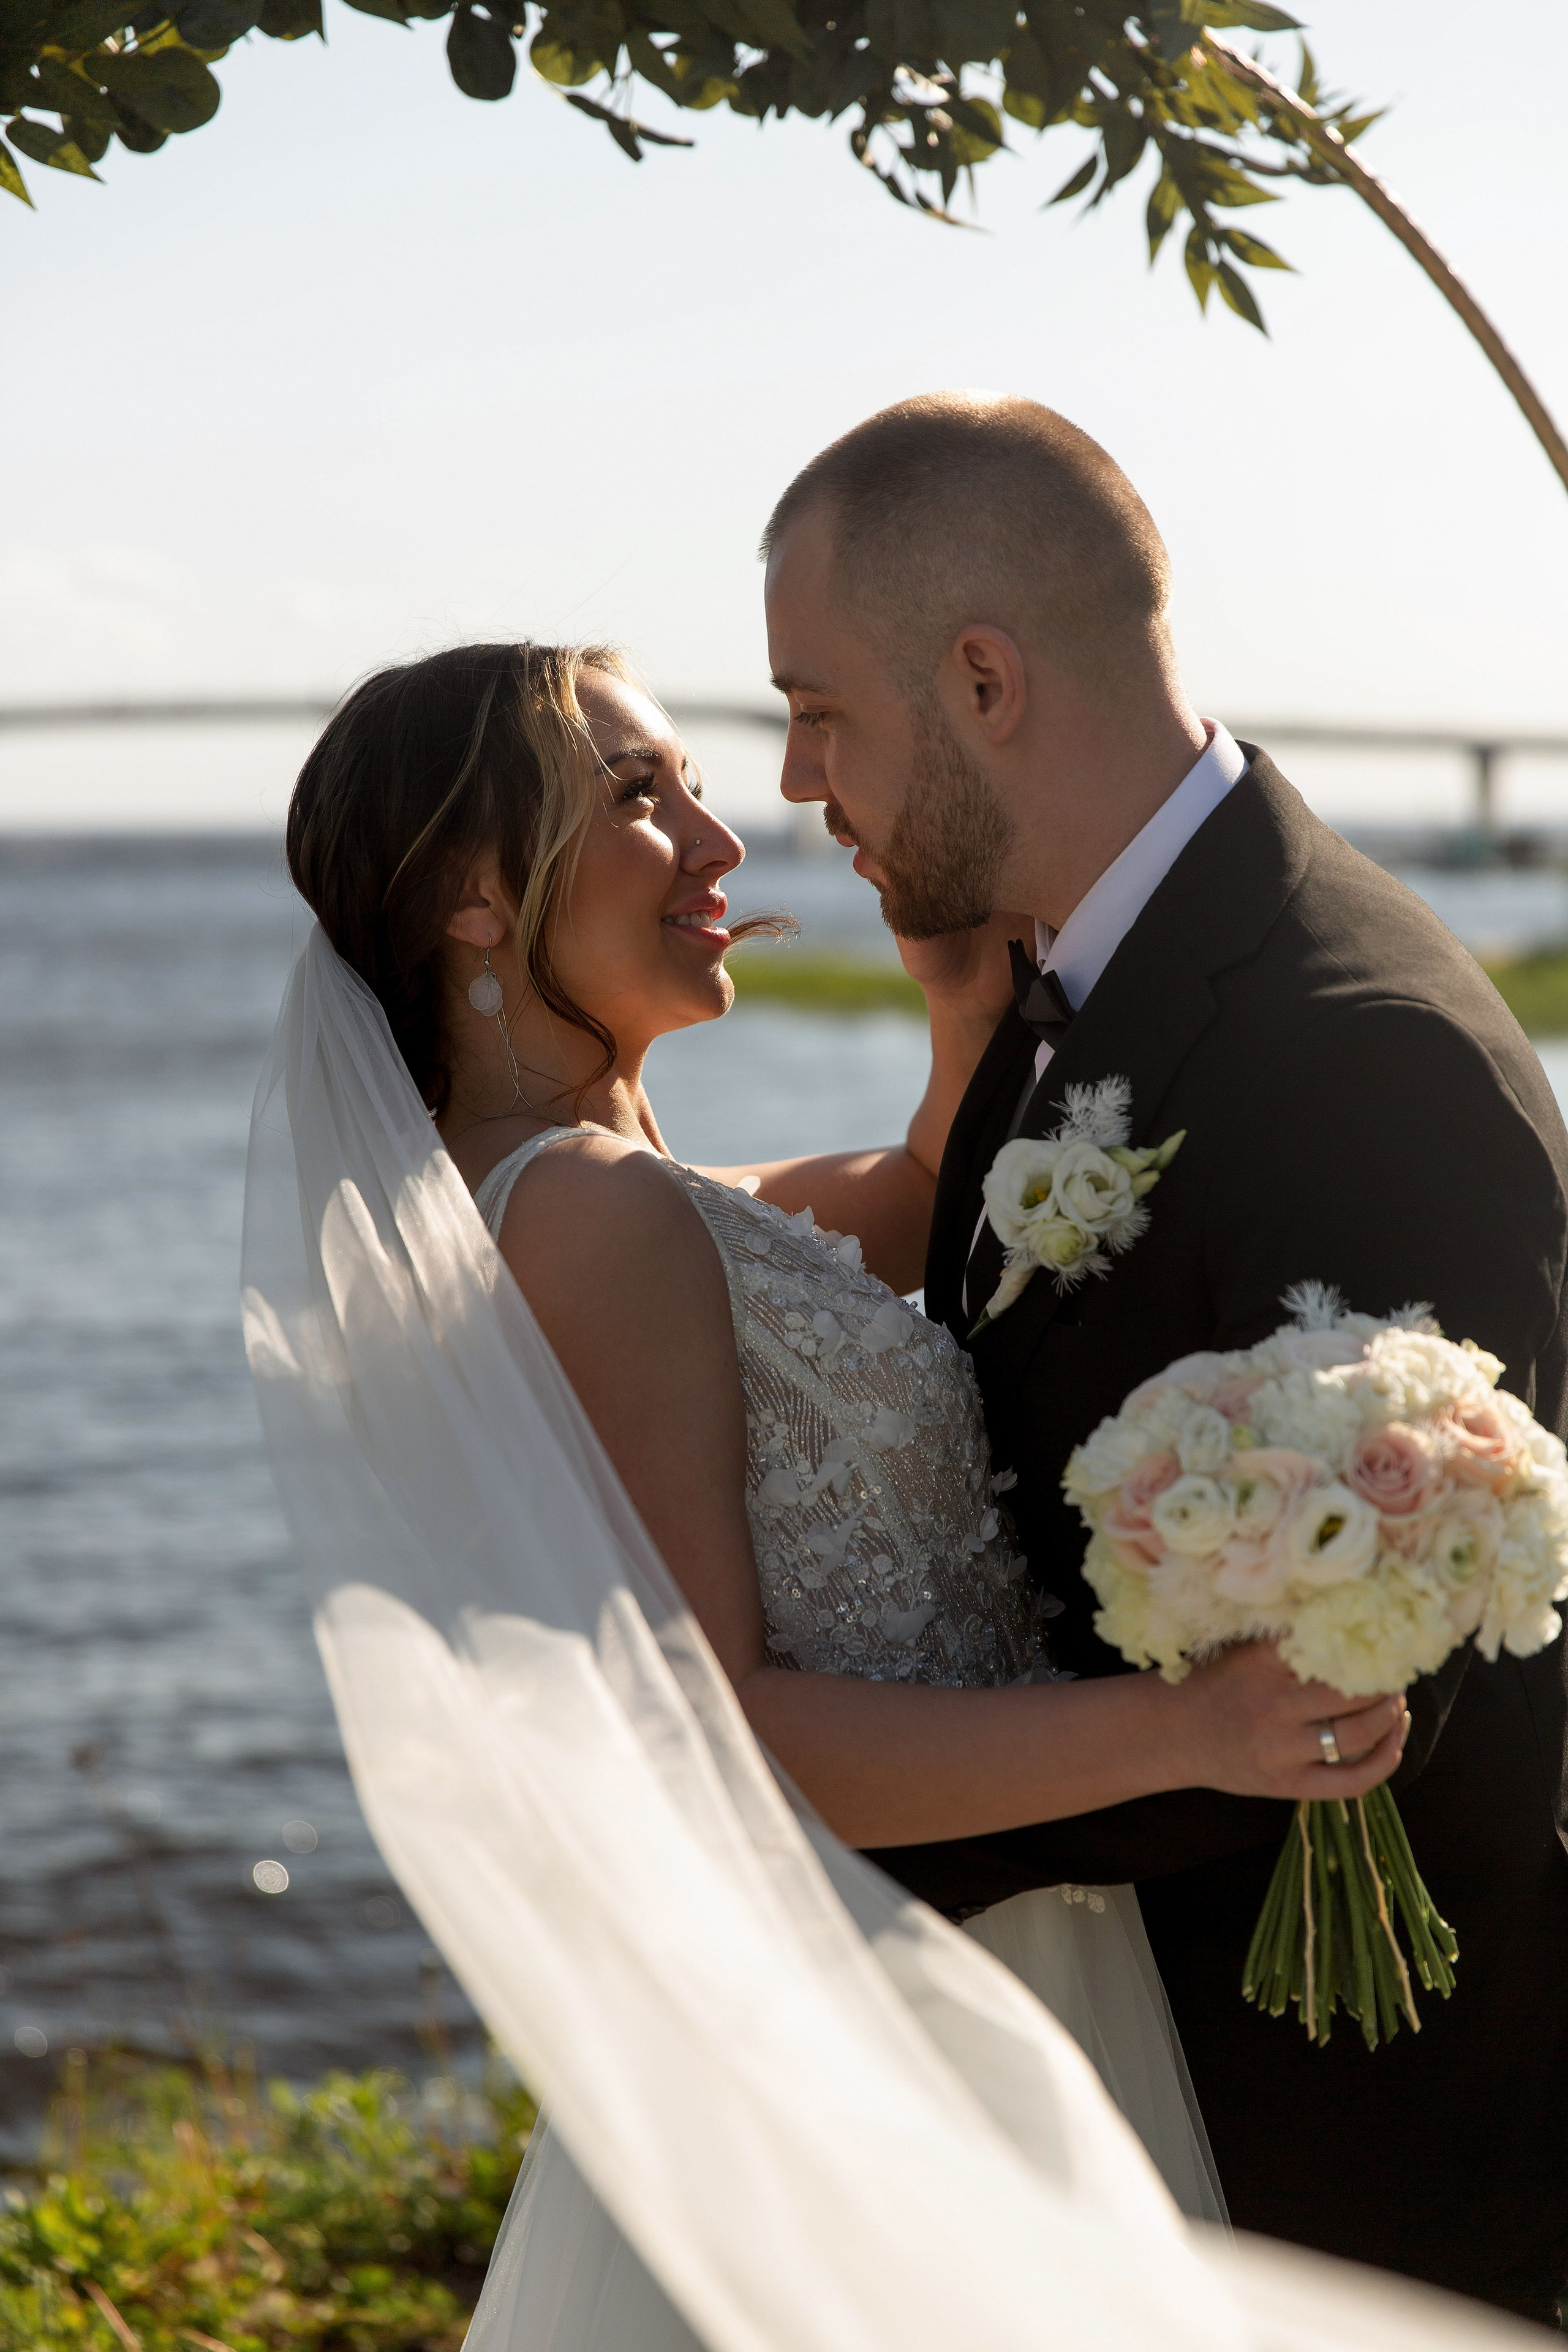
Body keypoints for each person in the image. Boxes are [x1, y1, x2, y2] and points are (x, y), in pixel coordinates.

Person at [761, 391, 1568, 2328]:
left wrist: (849, 1855)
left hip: (1354, 2160)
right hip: (1152, 2125)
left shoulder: (1352, 1040)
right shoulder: (1073, 986)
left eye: (818, 708)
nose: (793, 777)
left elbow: (1382, 1698)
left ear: (981, 680)